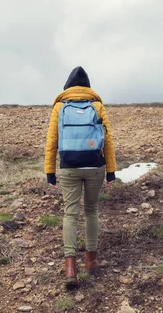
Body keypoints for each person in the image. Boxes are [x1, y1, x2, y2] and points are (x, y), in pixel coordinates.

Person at [44, 66, 117, 288]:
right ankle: (91, 262)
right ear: (88, 86)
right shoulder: (97, 105)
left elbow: (52, 140)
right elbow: (109, 140)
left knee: (70, 213)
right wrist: (111, 170)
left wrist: (50, 171)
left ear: (68, 86)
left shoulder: (59, 106)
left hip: (69, 167)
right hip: (95, 166)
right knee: (92, 210)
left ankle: (70, 268)